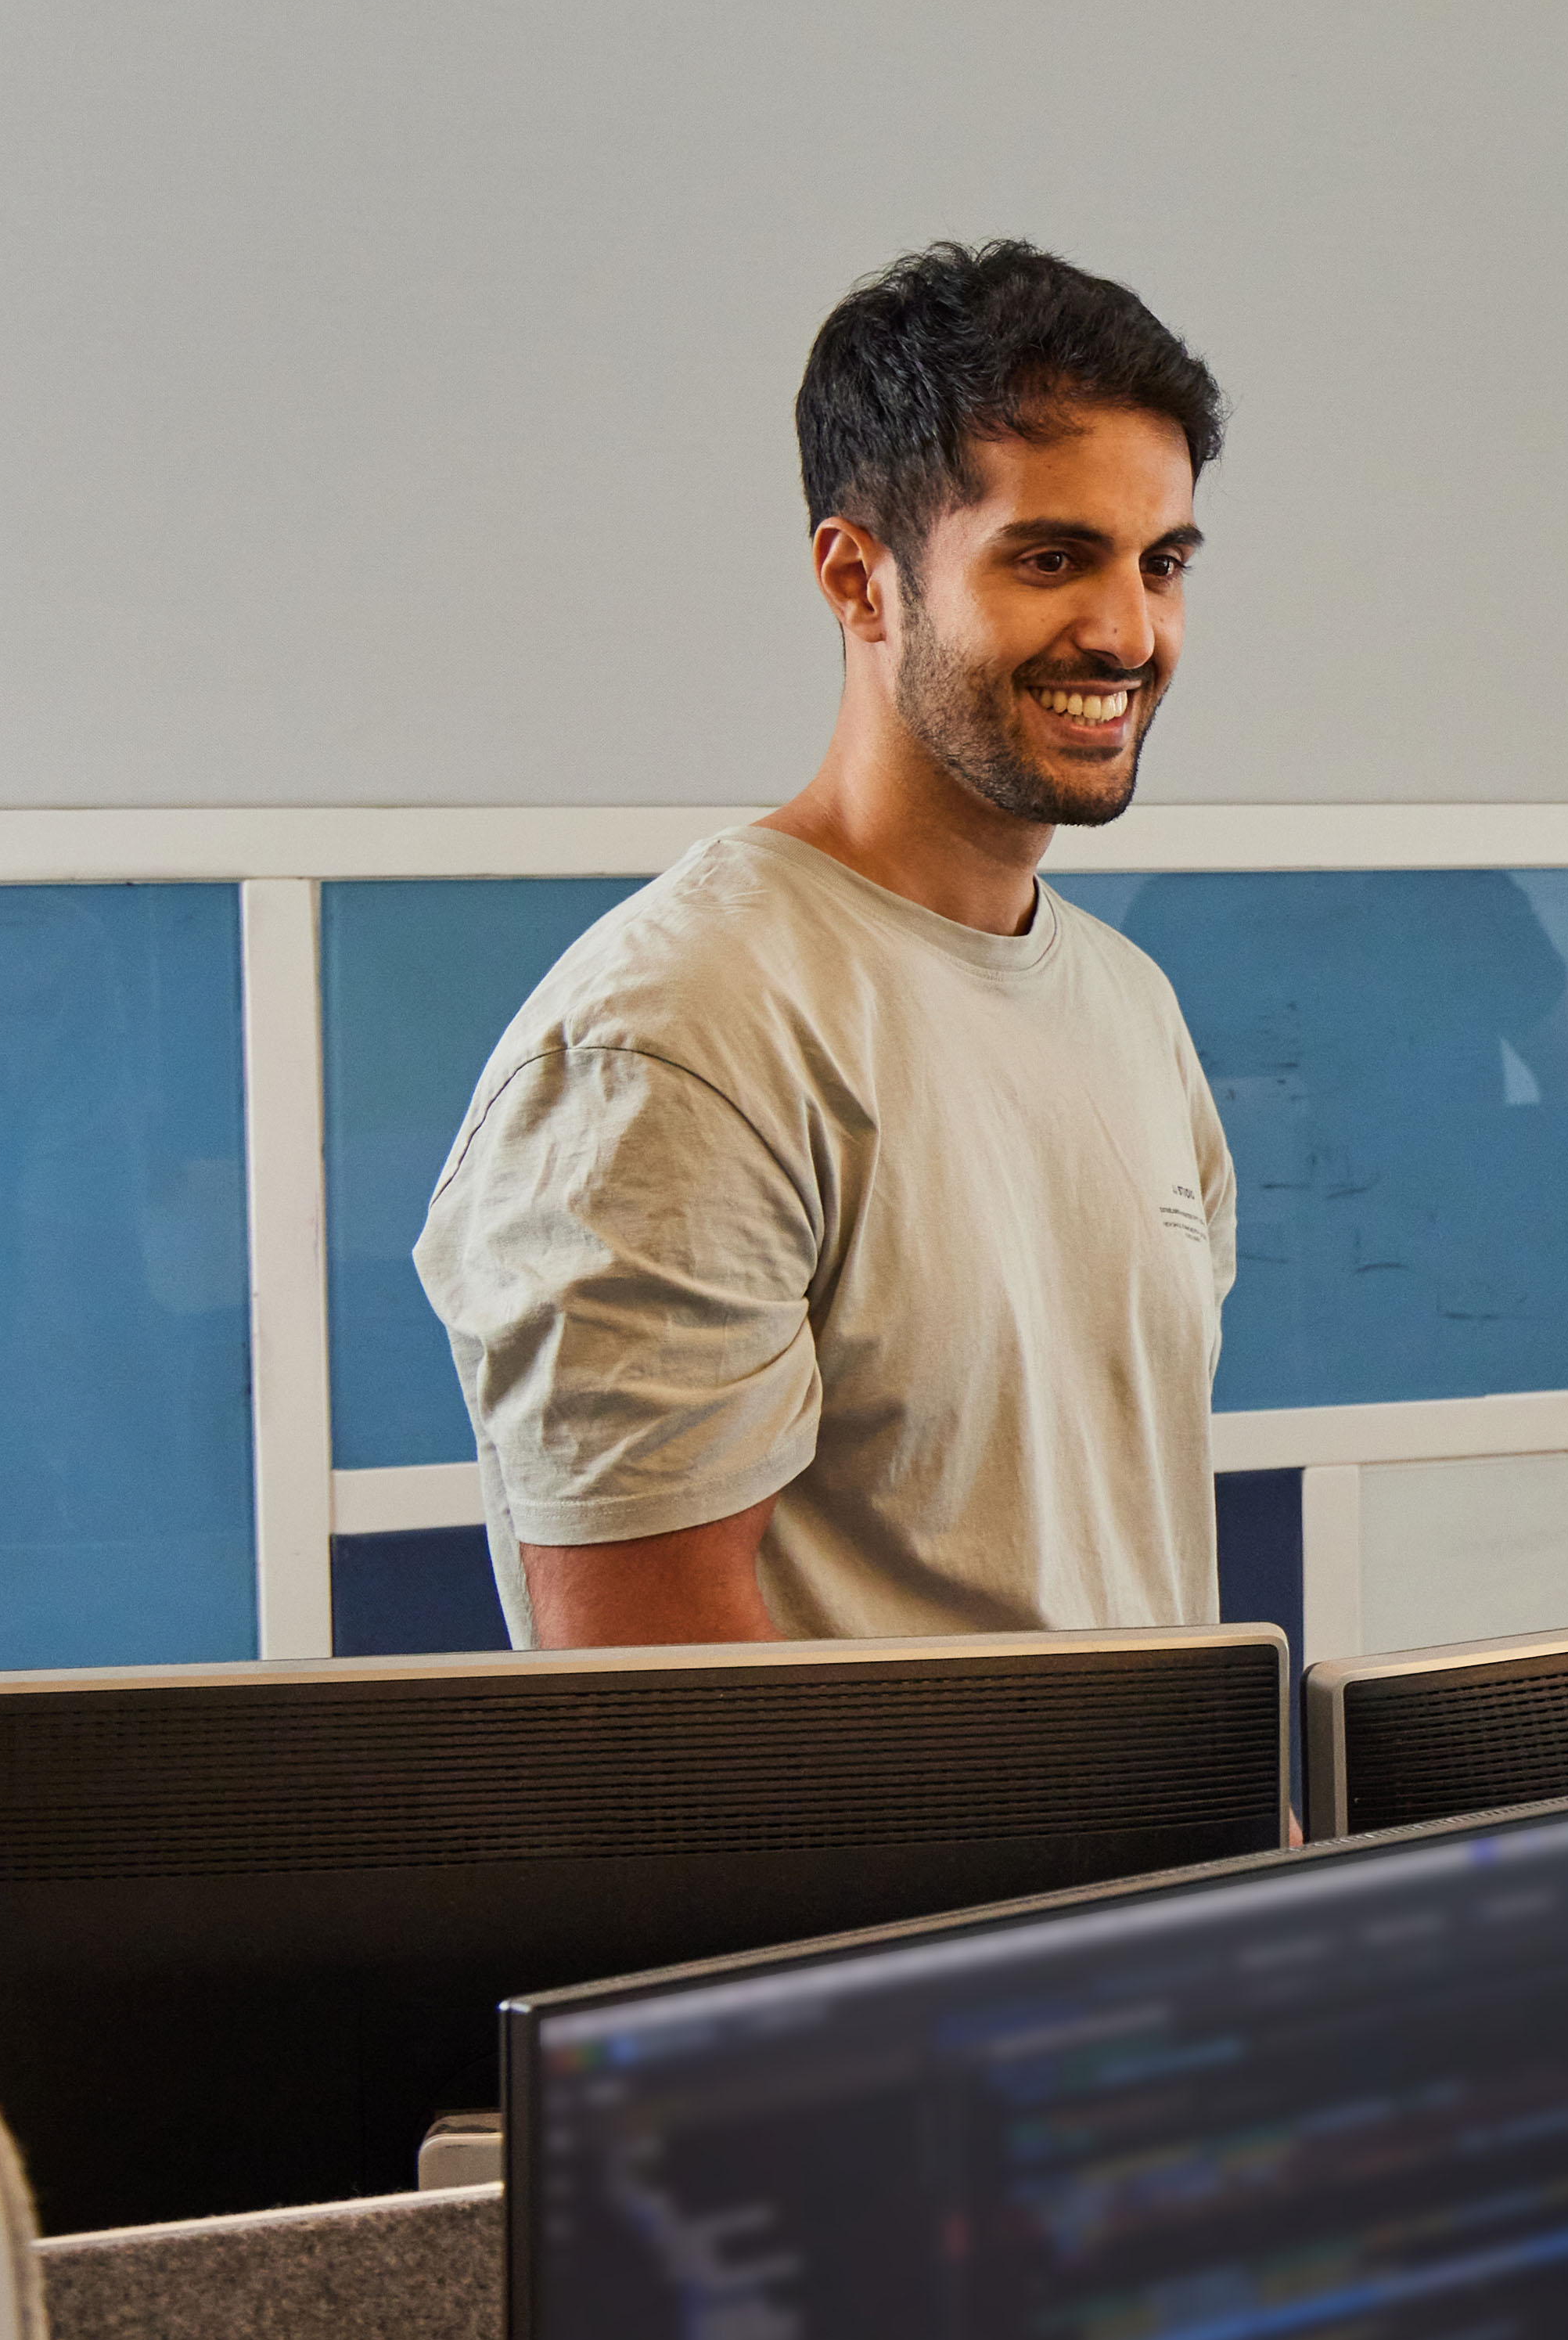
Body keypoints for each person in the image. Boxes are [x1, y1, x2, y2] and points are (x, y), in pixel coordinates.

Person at [417, 240, 1241, 1650]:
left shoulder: (1129, 1006)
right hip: (931, 1888)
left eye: (1160, 563)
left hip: (1157, 1875)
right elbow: (665, 1722)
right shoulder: (676, 1039)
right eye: (1050, 559)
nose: (1126, 632)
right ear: (860, 581)